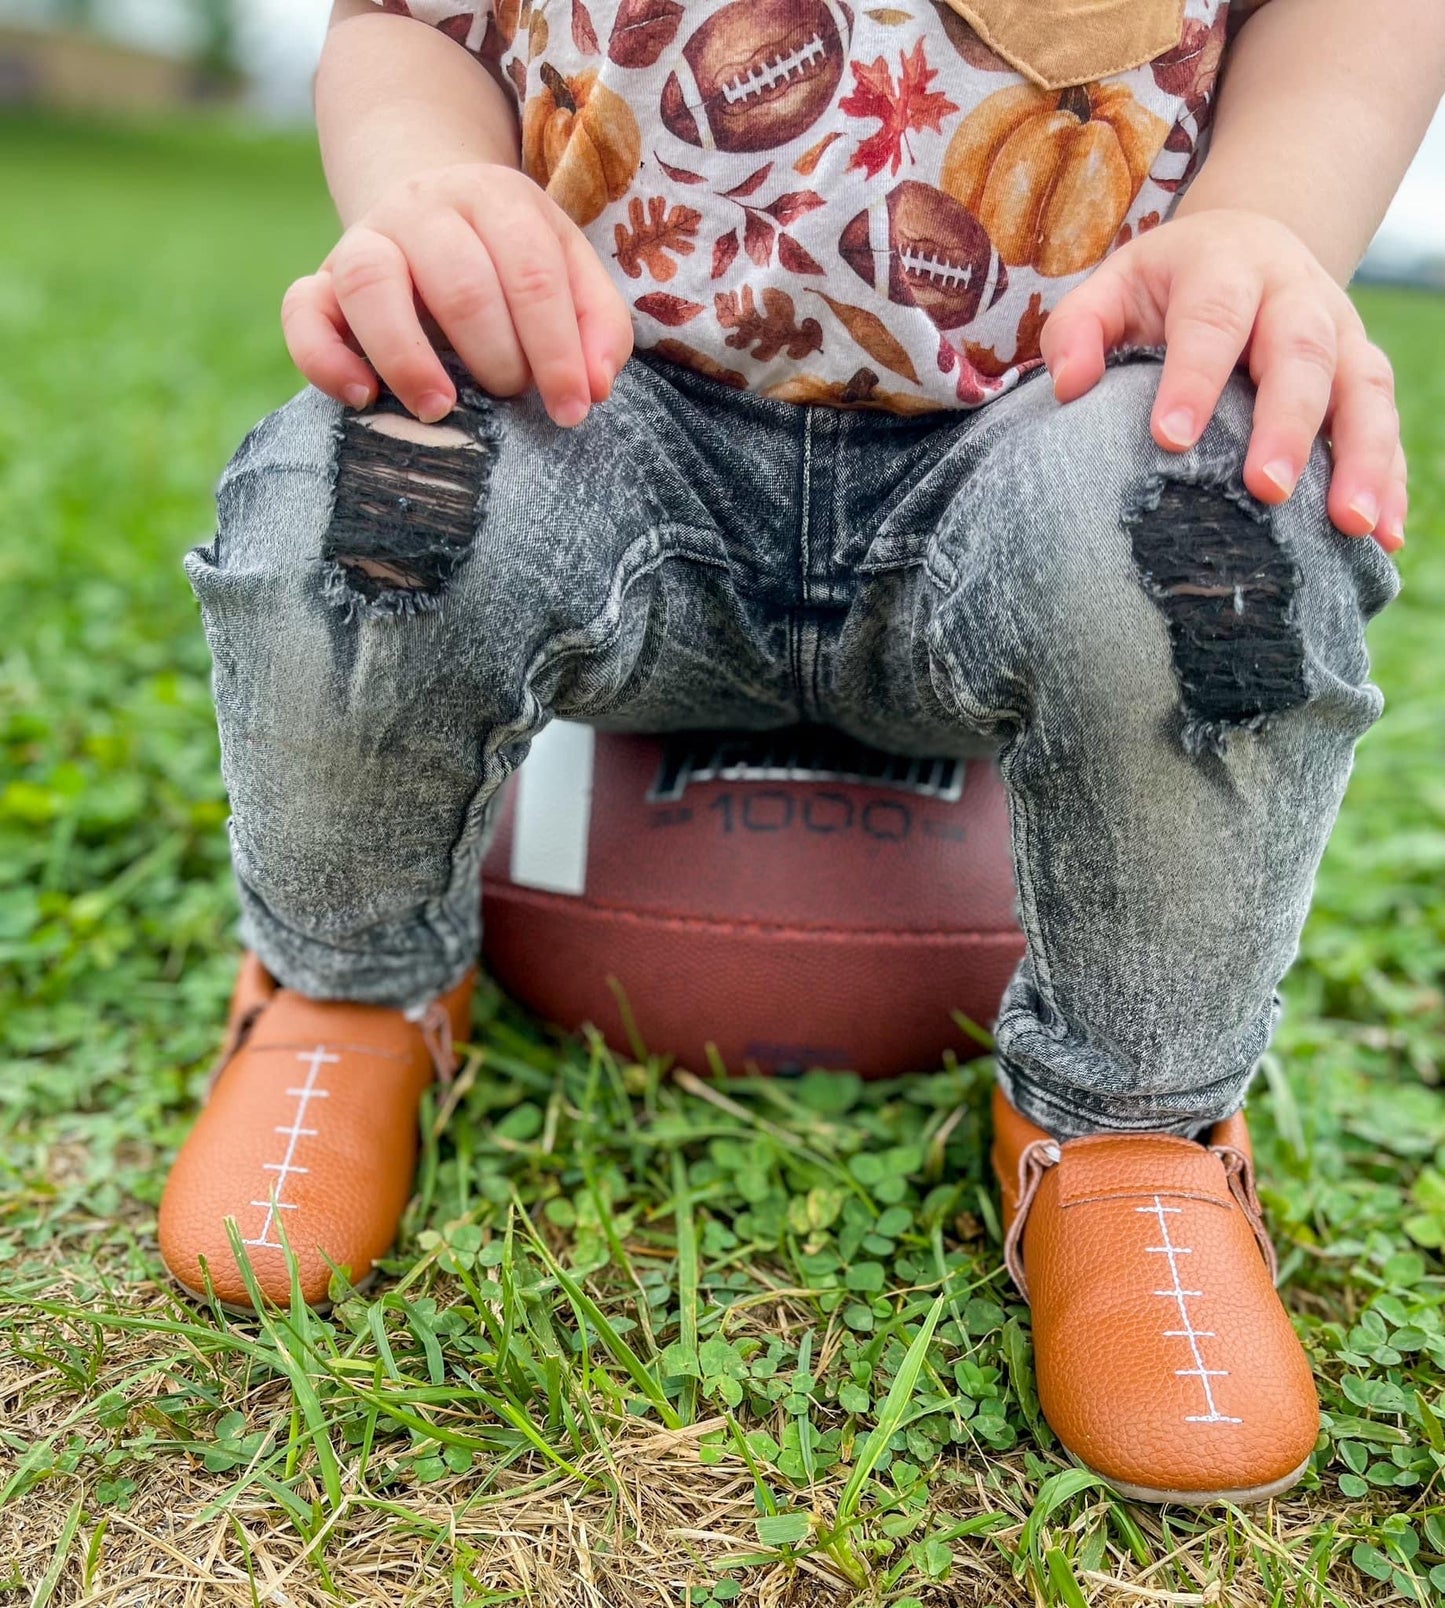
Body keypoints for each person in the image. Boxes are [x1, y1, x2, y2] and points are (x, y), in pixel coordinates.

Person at [157, 0, 1443, 1504]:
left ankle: (1124, 1130)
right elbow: (412, 19)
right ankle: (347, 994)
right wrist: (436, 181)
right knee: (366, 483)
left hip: (1056, 414)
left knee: (1213, 538)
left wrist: (1260, 219)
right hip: (598, 397)